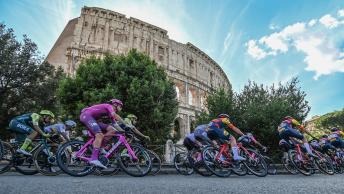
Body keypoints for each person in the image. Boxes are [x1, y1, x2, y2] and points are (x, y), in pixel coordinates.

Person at [79, 99, 126, 168]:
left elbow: (115, 125)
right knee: (99, 135)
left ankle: (100, 147)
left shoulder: (110, 114)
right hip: (87, 116)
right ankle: (94, 159)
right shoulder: (109, 106)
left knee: (112, 129)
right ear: (115, 104)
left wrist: (124, 132)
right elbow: (115, 115)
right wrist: (126, 124)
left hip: (92, 119)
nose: (121, 108)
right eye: (121, 106)